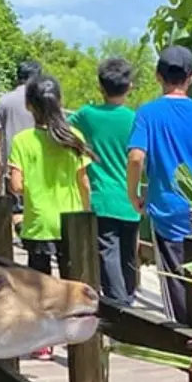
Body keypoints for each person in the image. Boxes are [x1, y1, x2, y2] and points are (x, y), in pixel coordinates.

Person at [127, 45, 192, 323]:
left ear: (158, 76)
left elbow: (136, 157)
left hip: (166, 214)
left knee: (176, 287)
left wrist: (133, 194)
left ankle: (187, 348)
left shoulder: (148, 113)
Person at [8, 75, 98, 361]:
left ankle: (44, 343)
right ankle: (76, 341)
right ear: (59, 102)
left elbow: (16, 185)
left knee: (40, 287)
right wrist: (86, 212)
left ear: (29, 106)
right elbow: (84, 183)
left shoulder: (23, 141)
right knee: (73, 283)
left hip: (38, 223)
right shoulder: (74, 138)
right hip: (71, 222)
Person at [69, 58, 142, 306]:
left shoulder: (87, 115)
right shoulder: (136, 119)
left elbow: (64, 130)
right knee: (129, 255)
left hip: (101, 197)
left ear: (100, 87)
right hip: (131, 200)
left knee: (107, 253)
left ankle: (117, 304)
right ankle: (130, 299)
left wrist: (85, 151)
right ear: (129, 86)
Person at [0, 60, 43, 225]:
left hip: (14, 164)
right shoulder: (43, 99)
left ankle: (21, 235)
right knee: (38, 206)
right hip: (41, 162)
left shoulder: (5, 101)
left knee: (17, 208)